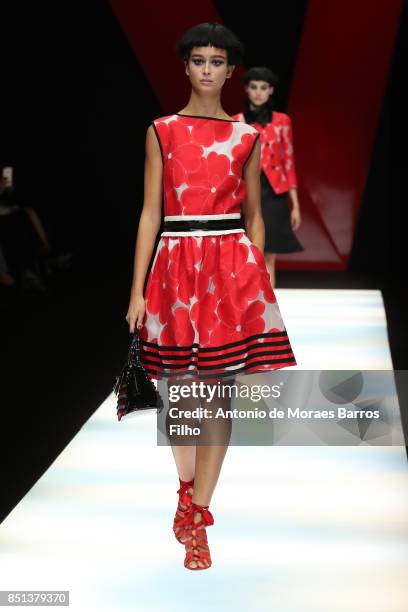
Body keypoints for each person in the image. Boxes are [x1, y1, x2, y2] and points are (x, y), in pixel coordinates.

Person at [125, 23, 297, 571]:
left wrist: (258, 281)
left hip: (228, 267)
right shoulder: (162, 130)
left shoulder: (248, 137)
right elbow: (151, 213)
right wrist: (136, 291)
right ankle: (184, 489)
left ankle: (199, 515)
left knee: (218, 392)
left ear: (230, 70)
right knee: (179, 393)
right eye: (197, 59)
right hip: (175, 267)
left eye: (216, 61)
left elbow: (253, 218)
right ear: (186, 67)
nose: (206, 69)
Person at [232, 66, 304, 287]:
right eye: (254, 87)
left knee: (269, 253)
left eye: (263, 88)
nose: (258, 92)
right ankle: (249, 301)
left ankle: (268, 304)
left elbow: (288, 160)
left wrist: (296, 204)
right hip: (245, 191)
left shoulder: (282, 121)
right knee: (246, 250)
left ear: (271, 90)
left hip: (274, 191)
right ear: (246, 89)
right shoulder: (236, 121)